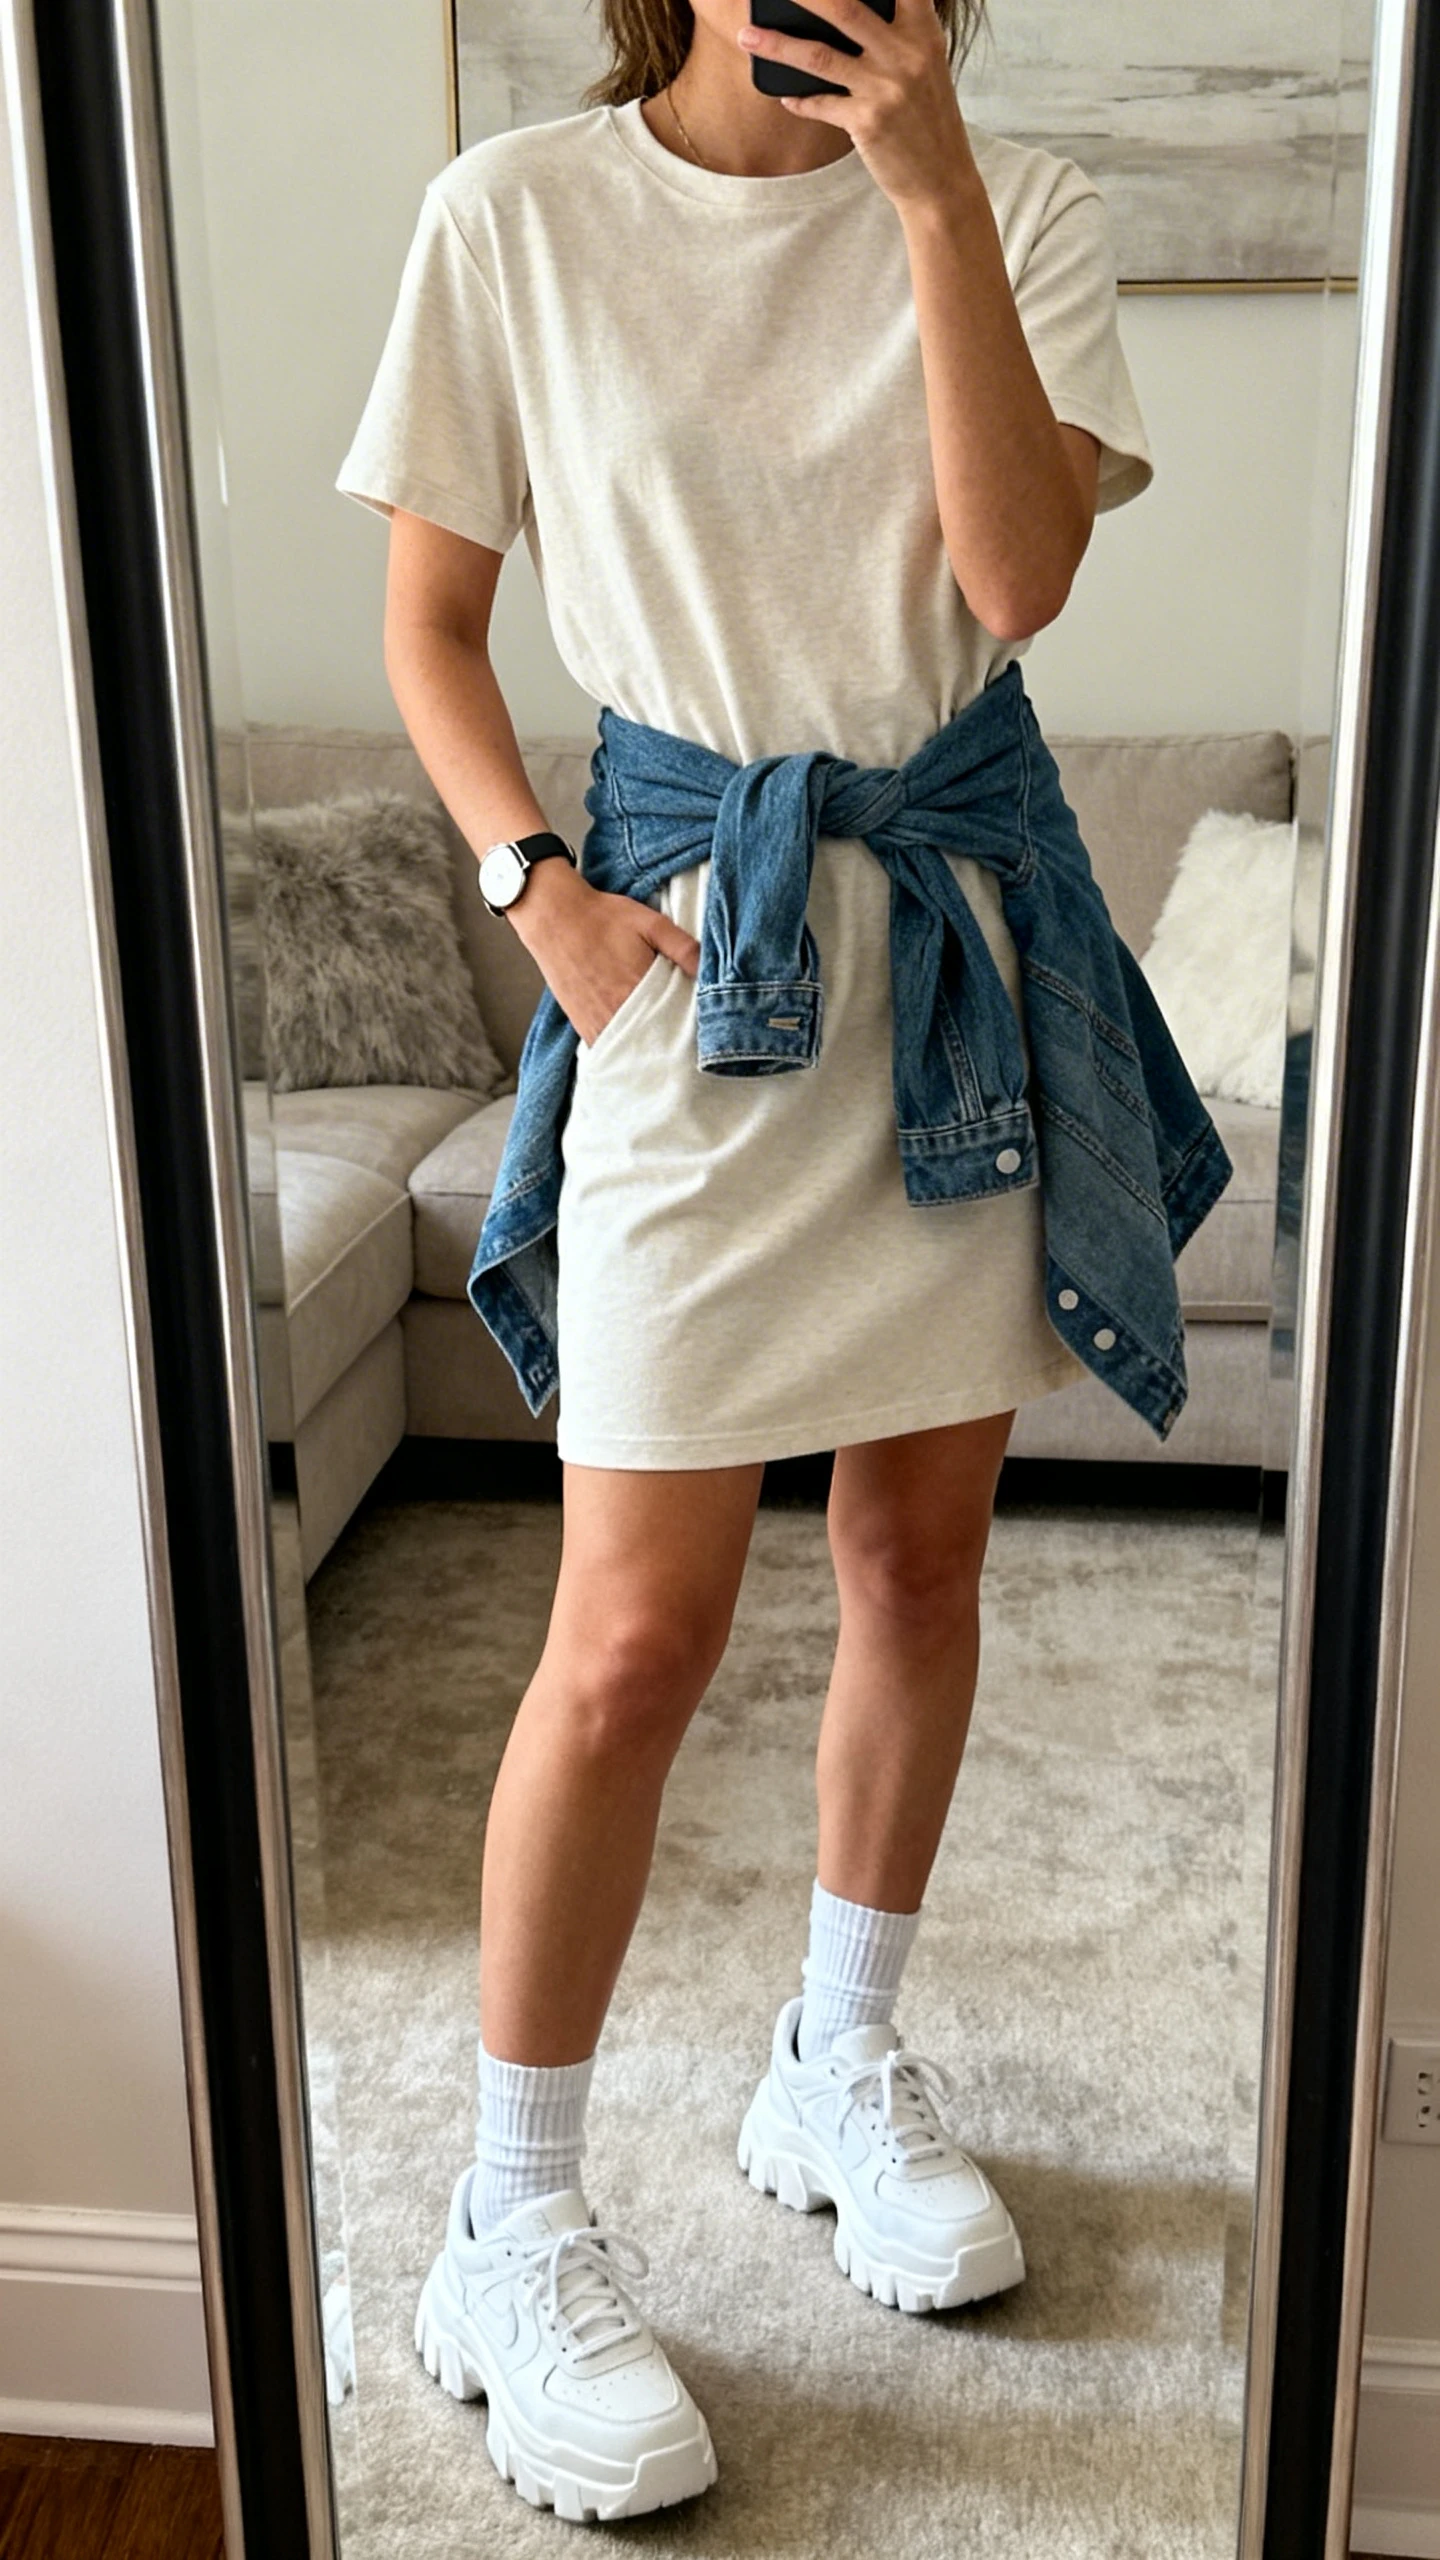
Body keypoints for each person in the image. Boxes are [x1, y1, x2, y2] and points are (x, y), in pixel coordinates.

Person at [335, 0, 1161, 2524]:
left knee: (915, 1553)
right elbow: (434, 628)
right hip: (689, 975)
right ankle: (512, 2207)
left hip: (954, 966)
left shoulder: (1017, 210)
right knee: (630, 1634)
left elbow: (1015, 584)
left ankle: (836, 2046)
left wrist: (921, 201)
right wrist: (535, 892)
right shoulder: (515, 219)